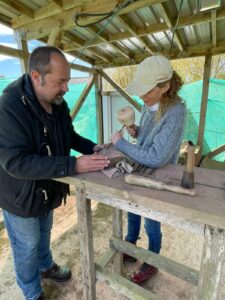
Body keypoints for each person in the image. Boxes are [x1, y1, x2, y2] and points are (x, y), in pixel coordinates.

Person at [0, 46, 109, 300]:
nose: (66, 88)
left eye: (67, 81)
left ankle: (45, 266)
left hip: (47, 187)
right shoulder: (8, 107)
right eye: (61, 81)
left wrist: (92, 147)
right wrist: (73, 165)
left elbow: (68, 135)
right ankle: (32, 291)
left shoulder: (57, 102)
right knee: (26, 246)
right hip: (20, 195)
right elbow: (17, 163)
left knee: (45, 231)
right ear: (37, 76)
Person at [111, 55, 186, 285]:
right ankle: (131, 246)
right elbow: (150, 136)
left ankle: (152, 260)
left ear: (164, 87)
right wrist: (136, 130)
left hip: (160, 173)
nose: (140, 96)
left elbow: (157, 156)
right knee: (132, 209)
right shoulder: (148, 103)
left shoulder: (176, 111)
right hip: (139, 167)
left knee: (151, 220)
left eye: (145, 91)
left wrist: (120, 143)